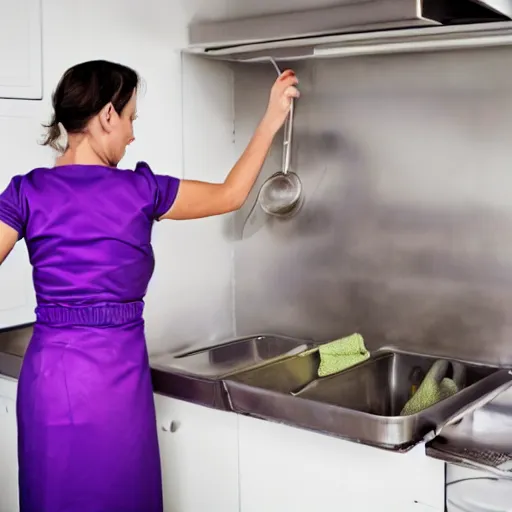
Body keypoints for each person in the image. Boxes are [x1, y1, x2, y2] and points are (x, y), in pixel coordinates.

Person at [0, 59, 299, 512]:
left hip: (50, 382)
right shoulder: (141, 191)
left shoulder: (27, 193)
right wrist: (273, 117)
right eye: (130, 118)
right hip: (116, 385)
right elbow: (231, 194)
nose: (132, 133)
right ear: (105, 116)